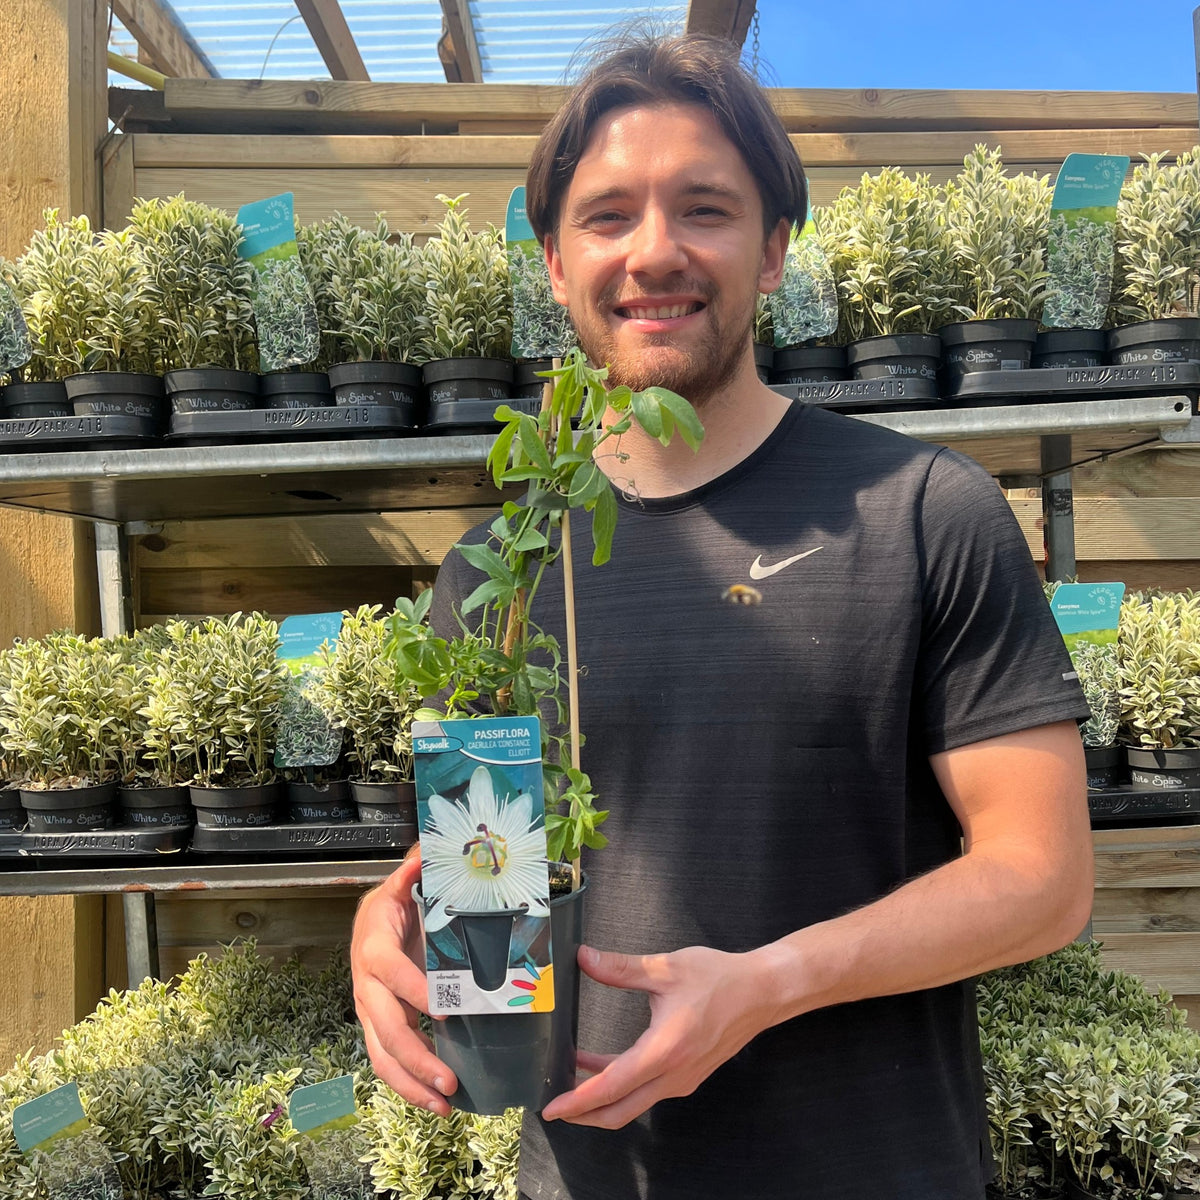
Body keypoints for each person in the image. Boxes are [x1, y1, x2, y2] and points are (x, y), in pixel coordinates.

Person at [352, 31, 1093, 1200]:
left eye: (704, 208)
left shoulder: (922, 514)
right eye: (606, 217)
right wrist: (385, 927)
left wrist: (770, 981)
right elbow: (487, 860)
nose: (654, 252)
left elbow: (1043, 879)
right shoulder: (496, 576)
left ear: (774, 250)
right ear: (552, 262)